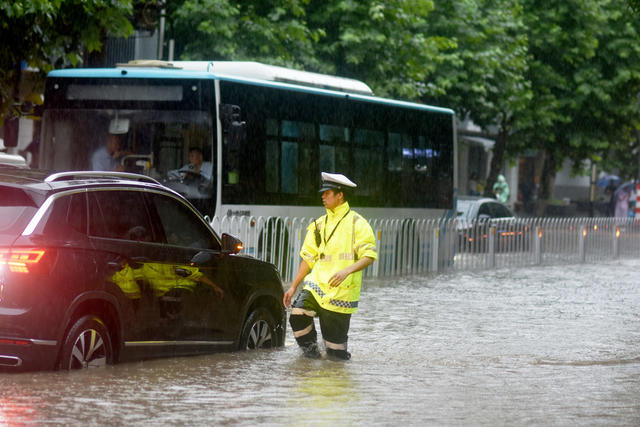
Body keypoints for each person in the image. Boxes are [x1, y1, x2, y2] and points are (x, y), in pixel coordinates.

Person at [283, 172, 378, 360]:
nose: (322, 196)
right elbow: (308, 259)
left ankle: (332, 369)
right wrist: (293, 286)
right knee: (297, 314)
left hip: (341, 291)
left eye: (327, 193)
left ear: (340, 195)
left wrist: (346, 271)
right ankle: (311, 358)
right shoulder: (318, 225)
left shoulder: (358, 224)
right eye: (323, 193)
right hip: (317, 285)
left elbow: (369, 256)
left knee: (336, 357)